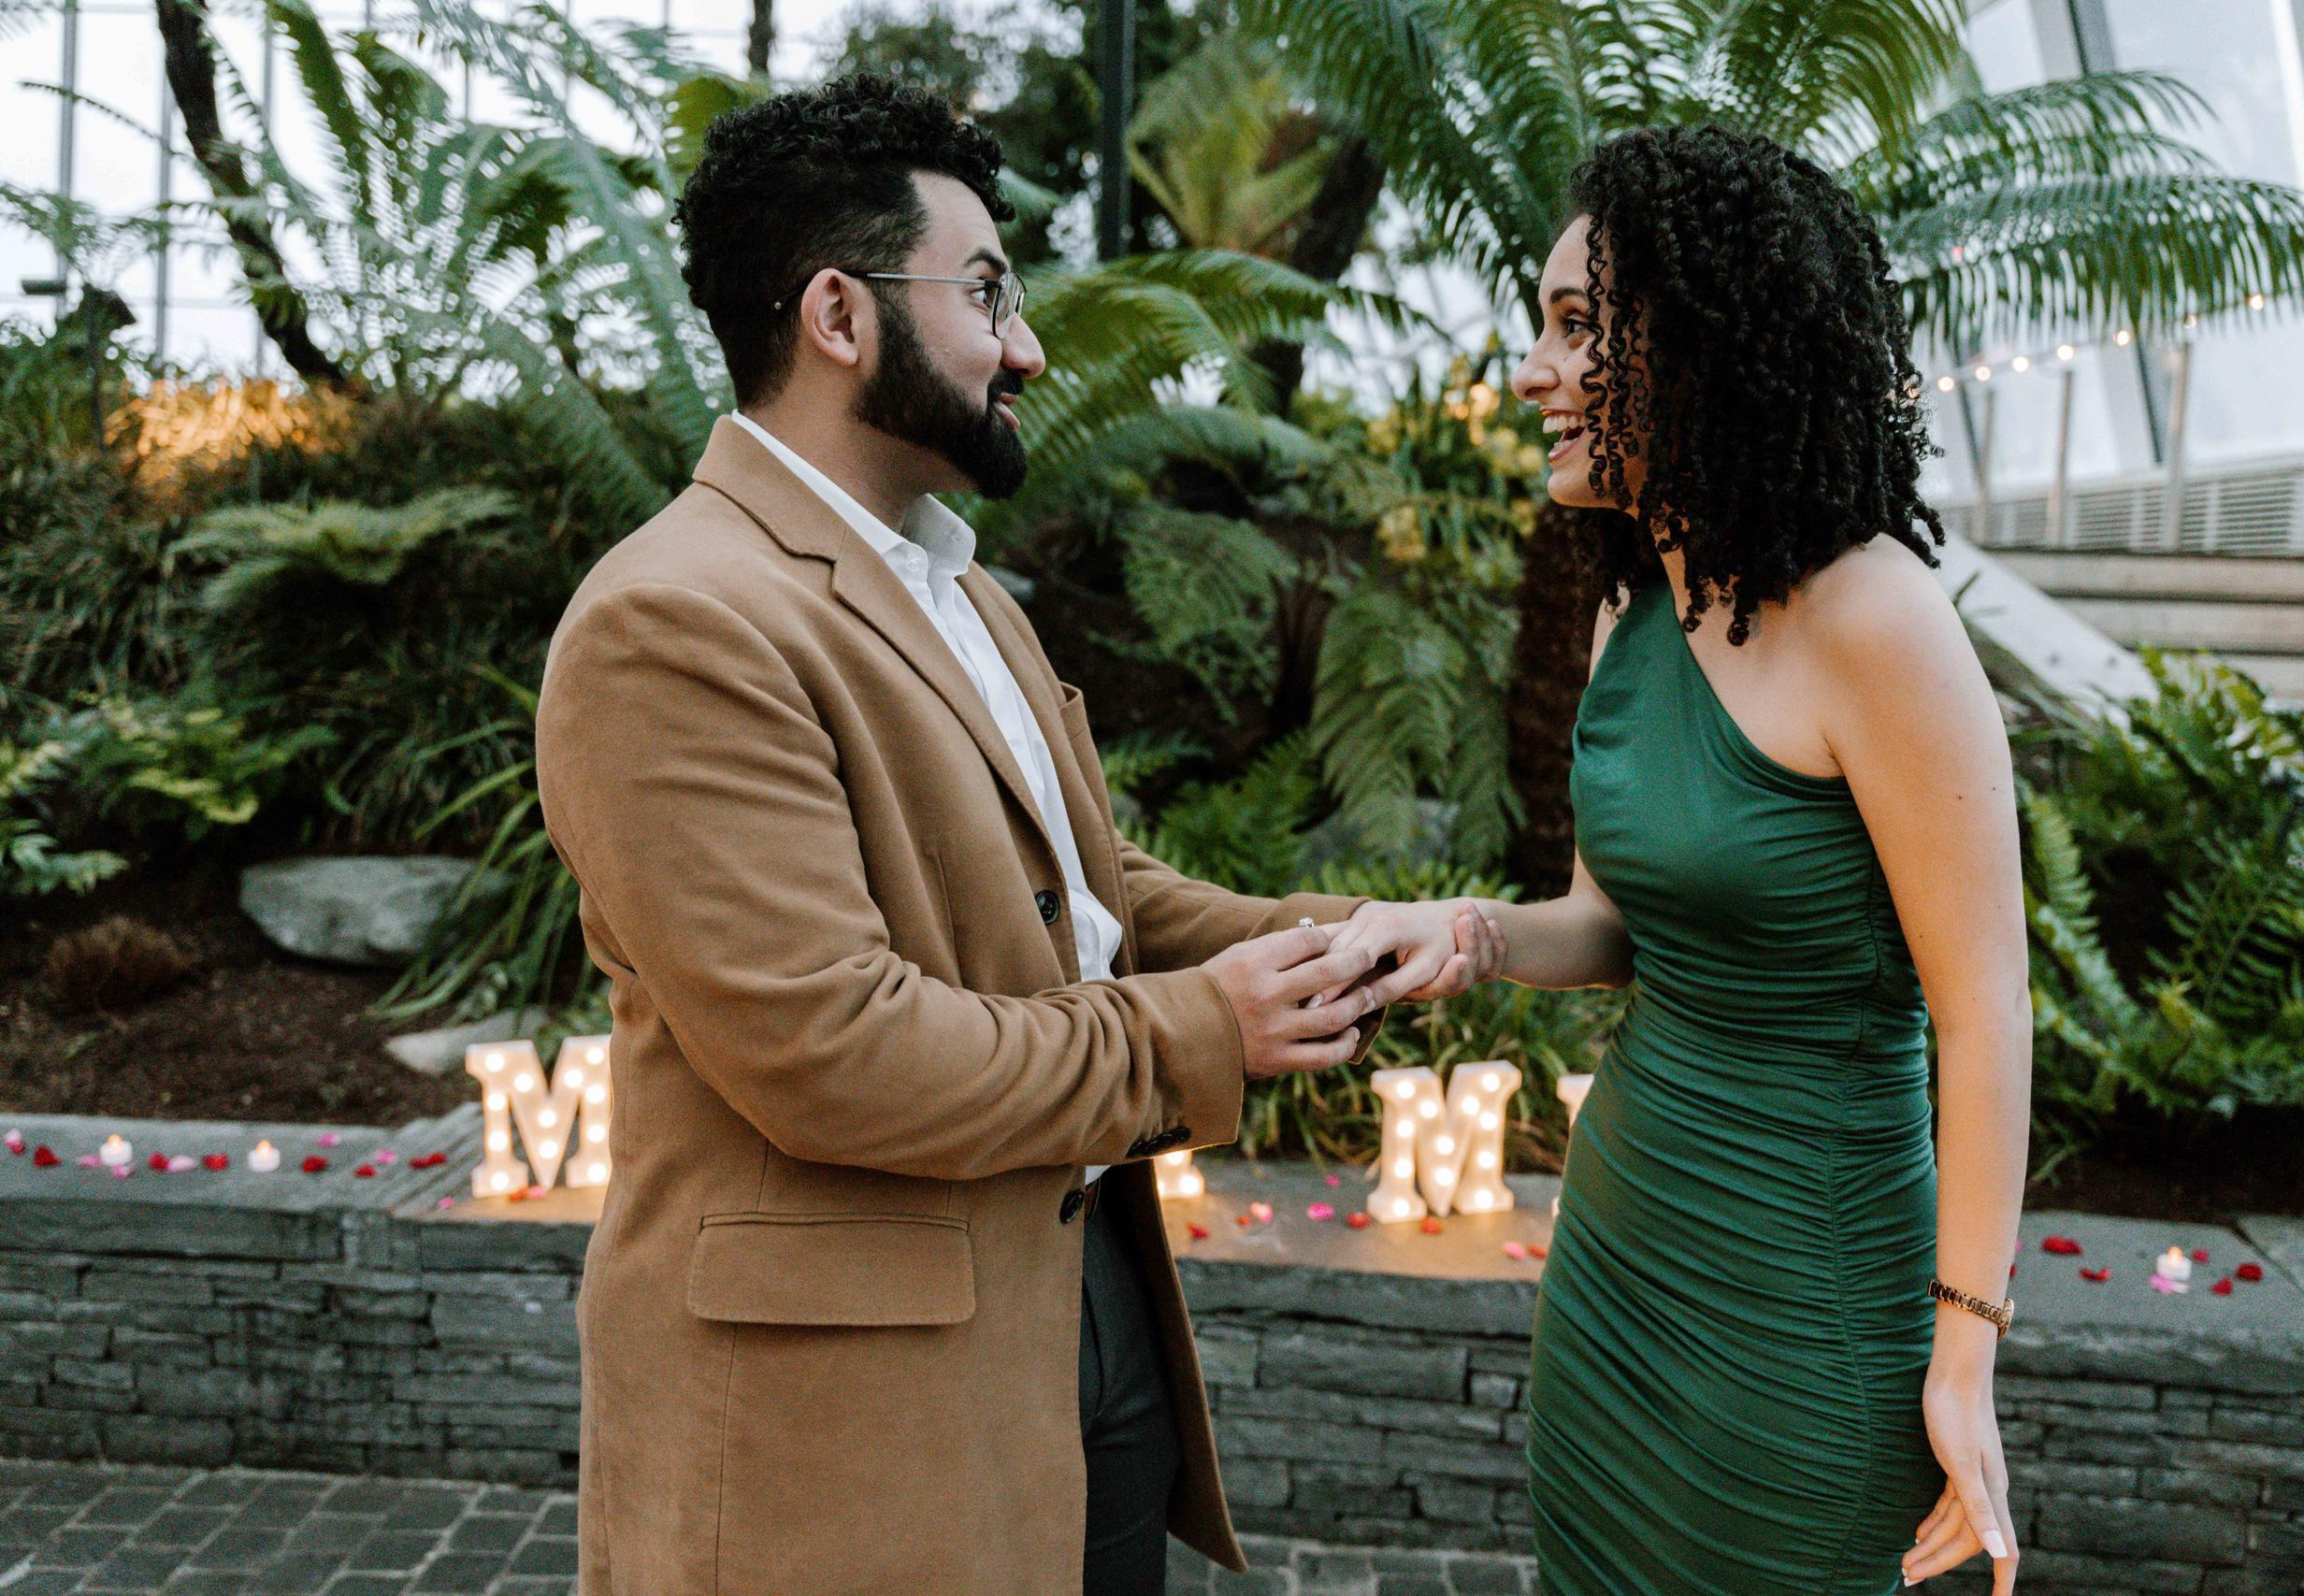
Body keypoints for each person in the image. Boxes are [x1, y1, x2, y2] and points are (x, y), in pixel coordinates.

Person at [533, 74, 1502, 1596]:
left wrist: (1318, 947)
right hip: (836, 1427)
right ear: (840, 316)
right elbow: (833, 1052)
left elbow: (1091, 900)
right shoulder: (674, 620)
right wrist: (1206, 1030)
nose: (1030, 347)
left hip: (1073, 1323)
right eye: (987, 293)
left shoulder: (961, 588)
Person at [1321, 126, 2032, 1595]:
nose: (1531, 369)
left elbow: (1986, 1011)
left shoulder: (1875, 619)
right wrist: (1468, 930)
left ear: (1706, 341)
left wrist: (1963, 1354)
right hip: (1623, 1260)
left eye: (1579, 325)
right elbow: (1611, 926)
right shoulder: (1632, 607)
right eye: (1540, 323)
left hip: (1807, 1291)